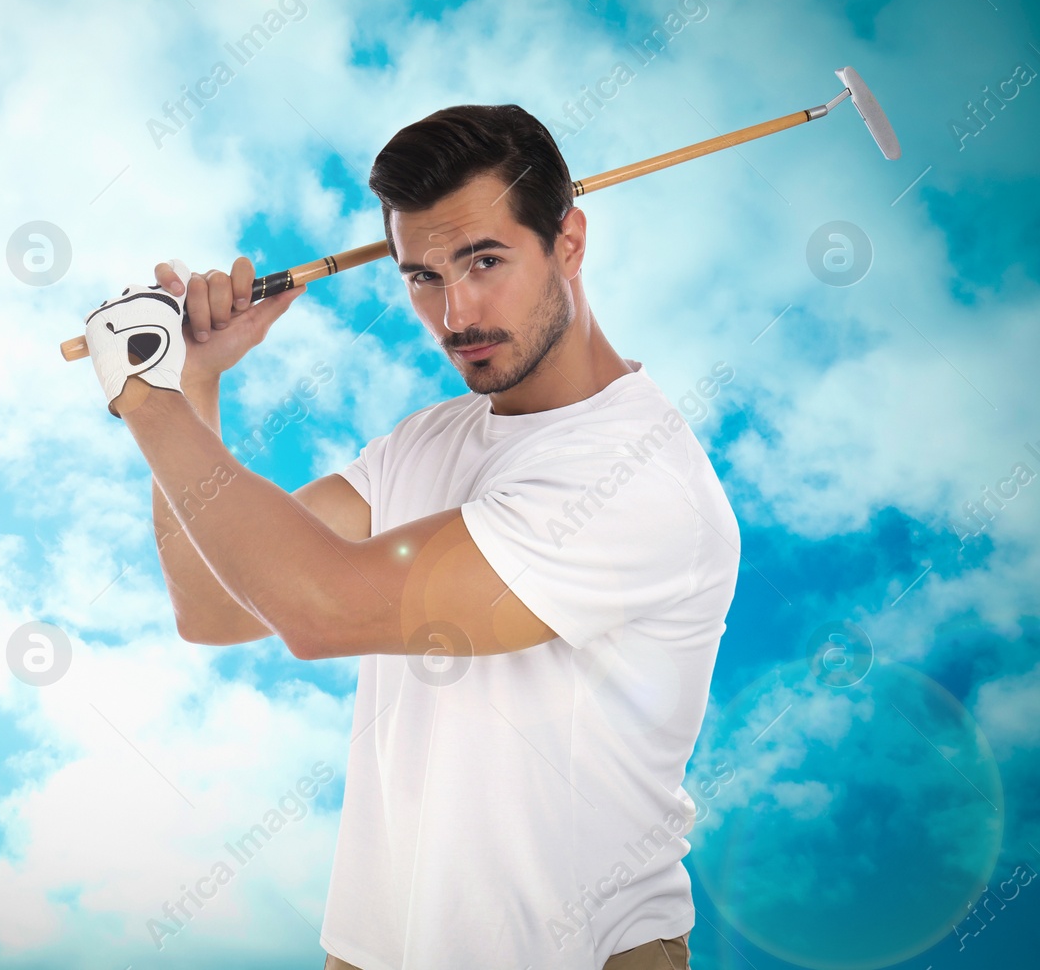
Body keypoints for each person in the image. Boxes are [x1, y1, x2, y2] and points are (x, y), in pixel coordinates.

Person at [82, 103, 738, 969]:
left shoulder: (637, 476)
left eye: (485, 259)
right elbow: (213, 605)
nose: (455, 311)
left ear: (568, 242)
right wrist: (193, 385)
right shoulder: (427, 441)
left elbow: (320, 612)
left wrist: (144, 399)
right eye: (420, 275)